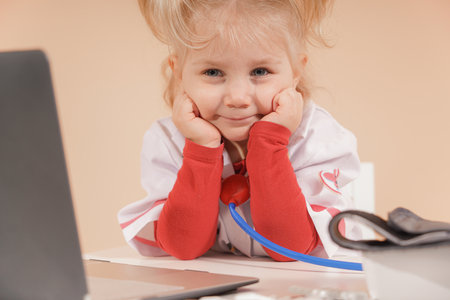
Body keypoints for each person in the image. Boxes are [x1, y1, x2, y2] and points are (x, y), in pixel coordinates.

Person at [118, 0, 361, 262]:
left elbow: (291, 247)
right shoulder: (168, 140)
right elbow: (183, 247)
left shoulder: (317, 137)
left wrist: (270, 145)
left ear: (295, 72)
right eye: (213, 72)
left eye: (260, 71)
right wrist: (202, 152)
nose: (237, 98)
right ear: (179, 72)